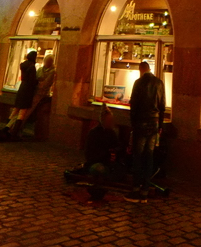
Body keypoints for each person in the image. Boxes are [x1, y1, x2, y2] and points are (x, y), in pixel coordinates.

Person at [124, 60, 166, 202]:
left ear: (141, 70)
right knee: (149, 157)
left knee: (138, 156)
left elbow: (133, 105)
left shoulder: (138, 83)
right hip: (153, 124)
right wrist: (159, 126)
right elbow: (162, 106)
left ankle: (136, 189)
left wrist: (133, 123)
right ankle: (145, 190)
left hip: (141, 123)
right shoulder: (159, 83)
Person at [65, 108, 126, 200]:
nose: (110, 123)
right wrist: (105, 155)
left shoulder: (111, 132)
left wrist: (115, 151)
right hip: (96, 162)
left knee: (121, 170)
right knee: (99, 169)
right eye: (108, 120)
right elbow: (90, 154)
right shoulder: (94, 133)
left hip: (108, 162)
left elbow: (117, 145)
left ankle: (107, 179)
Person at [0, 50, 38, 142]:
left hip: (21, 88)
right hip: (27, 91)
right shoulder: (32, 67)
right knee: (21, 113)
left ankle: (5, 129)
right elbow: (32, 81)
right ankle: (12, 132)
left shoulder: (23, 65)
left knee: (15, 111)